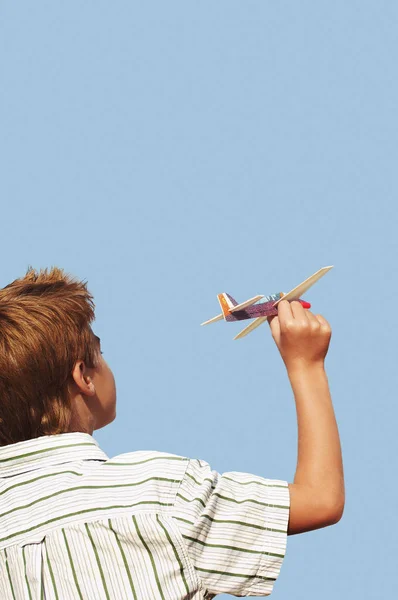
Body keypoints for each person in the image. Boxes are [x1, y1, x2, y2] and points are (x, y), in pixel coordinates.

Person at [0, 268, 344, 599]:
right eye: (99, 353)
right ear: (84, 378)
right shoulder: (158, 492)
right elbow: (320, 500)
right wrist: (306, 365)